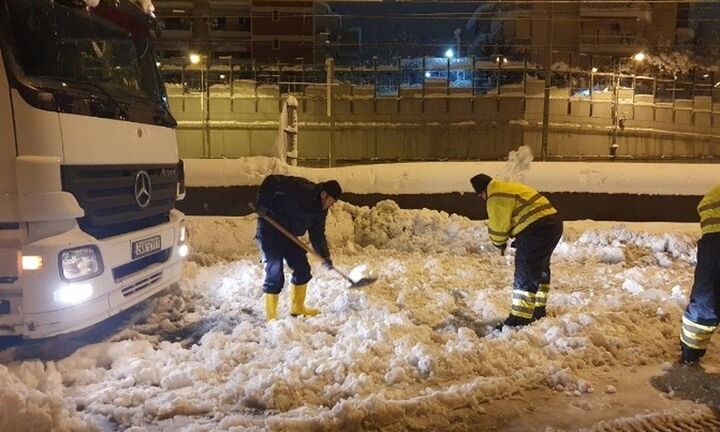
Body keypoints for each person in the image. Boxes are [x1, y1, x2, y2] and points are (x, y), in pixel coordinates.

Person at [470, 174, 563, 328]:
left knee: (526, 269)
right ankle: (538, 310)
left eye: (480, 195)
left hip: (536, 228)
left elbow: (498, 228)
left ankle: (520, 318)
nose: (482, 198)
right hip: (553, 224)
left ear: (482, 191)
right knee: (540, 267)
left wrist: (498, 243)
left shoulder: (495, 196)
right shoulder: (506, 187)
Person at [255, 175, 342, 320]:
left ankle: (297, 307)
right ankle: (271, 316)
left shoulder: (321, 210)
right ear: (323, 194)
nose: (332, 205)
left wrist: (324, 255)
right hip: (270, 227)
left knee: (302, 269)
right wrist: (262, 204)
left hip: (289, 234)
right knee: (274, 270)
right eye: (332, 201)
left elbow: (317, 233)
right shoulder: (300, 188)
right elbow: (272, 181)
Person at [679, 183, 720, 365]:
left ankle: (690, 354)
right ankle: (690, 353)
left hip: (713, 242)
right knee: (706, 301)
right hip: (714, 241)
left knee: (706, 300)